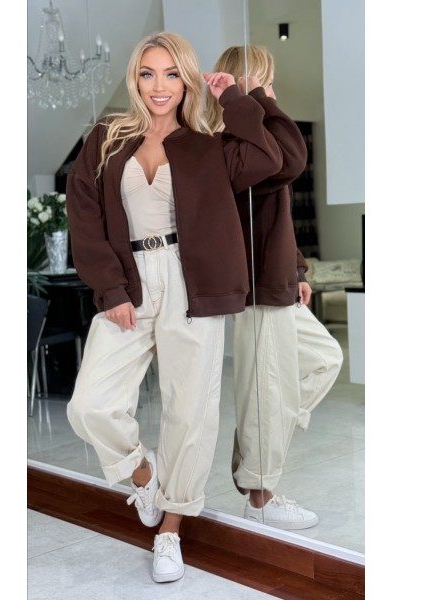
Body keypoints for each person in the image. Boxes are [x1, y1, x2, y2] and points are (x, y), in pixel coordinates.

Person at [65, 32, 287, 582]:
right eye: (147, 73)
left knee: (190, 410)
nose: (158, 85)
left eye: (171, 73)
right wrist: (110, 288)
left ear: (187, 79)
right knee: (90, 405)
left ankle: (170, 530)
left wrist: (233, 95)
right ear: (134, 79)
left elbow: (270, 156)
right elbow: (83, 212)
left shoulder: (209, 143)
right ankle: (145, 477)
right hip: (130, 280)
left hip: (192, 285)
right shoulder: (107, 138)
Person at [207, 45, 343, 530]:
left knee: (324, 359)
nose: (273, 90)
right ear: (245, 85)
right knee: (268, 390)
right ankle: (260, 498)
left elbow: (278, 214)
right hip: (258, 287)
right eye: (266, 81)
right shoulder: (233, 144)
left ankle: (258, 441)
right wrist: (253, 101)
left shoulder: (258, 136)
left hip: (279, 280)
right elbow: (293, 160)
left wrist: (298, 270)